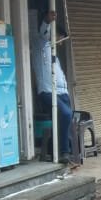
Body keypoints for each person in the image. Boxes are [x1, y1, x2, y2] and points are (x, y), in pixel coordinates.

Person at [31, 9, 73, 159]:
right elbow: (44, 32)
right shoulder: (41, 44)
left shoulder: (53, 52)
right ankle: (64, 151)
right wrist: (47, 21)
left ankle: (65, 149)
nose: (60, 42)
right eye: (59, 38)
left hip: (62, 92)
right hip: (48, 92)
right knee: (66, 114)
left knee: (67, 118)